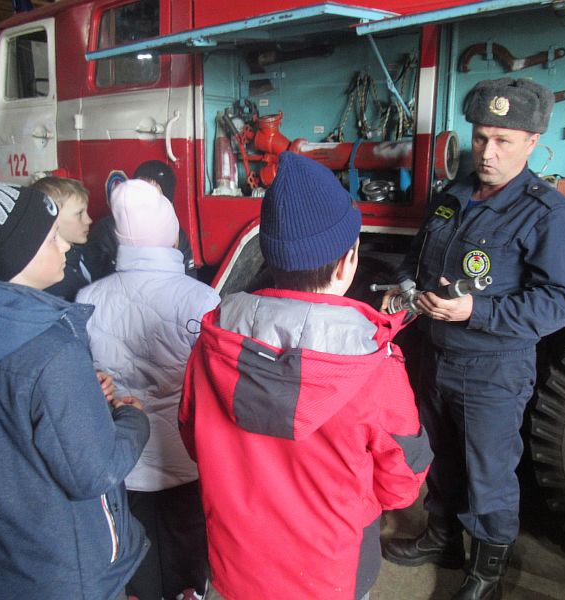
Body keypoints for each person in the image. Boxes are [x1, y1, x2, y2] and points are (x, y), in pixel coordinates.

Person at [179, 151, 432, 600]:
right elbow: (399, 488)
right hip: (333, 571)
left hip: (236, 564)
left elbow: (192, 437)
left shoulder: (213, 341)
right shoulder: (373, 365)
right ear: (346, 262)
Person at [381, 78, 565, 599]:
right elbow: (417, 259)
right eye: (480, 138)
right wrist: (406, 289)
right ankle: (443, 539)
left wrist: (476, 309)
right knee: (441, 455)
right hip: (435, 356)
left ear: (532, 142)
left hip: (492, 366)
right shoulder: (453, 194)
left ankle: (487, 574)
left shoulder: (547, 212)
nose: (488, 153)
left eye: (504, 141)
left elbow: (563, 300)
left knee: (489, 473)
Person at [0, 180, 151, 600]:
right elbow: (94, 471)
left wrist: (76, 398)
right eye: (51, 238)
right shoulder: (51, 351)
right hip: (57, 571)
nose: (64, 247)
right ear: (18, 255)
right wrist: (133, 420)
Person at [77, 179, 220, 600]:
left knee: (135, 541)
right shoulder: (202, 299)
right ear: (171, 234)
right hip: (189, 452)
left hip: (125, 452)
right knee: (189, 539)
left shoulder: (88, 297)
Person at [83, 160, 197, 279]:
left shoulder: (176, 233)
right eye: (141, 188)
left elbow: (189, 278)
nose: (145, 196)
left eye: (154, 194)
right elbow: (94, 278)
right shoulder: (106, 230)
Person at [31, 176, 94, 301]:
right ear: (51, 219)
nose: (89, 220)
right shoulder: (52, 277)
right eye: (79, 214)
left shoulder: (79, 251)